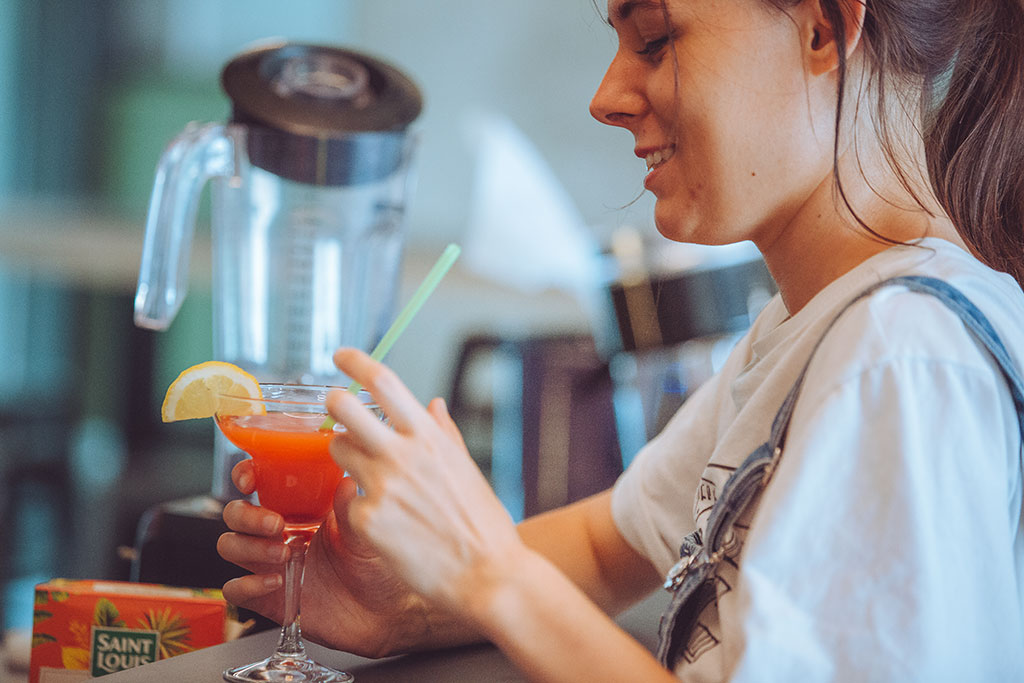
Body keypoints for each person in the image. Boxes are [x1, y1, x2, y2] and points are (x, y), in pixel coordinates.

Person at [217, 0, 1024, 679]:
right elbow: (610, 543)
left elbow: (529, 568)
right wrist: (401, 604)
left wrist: (485, 567)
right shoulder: (812, 326)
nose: (606, 96)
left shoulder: (902, 356)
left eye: (655, 40)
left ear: (821, 30)